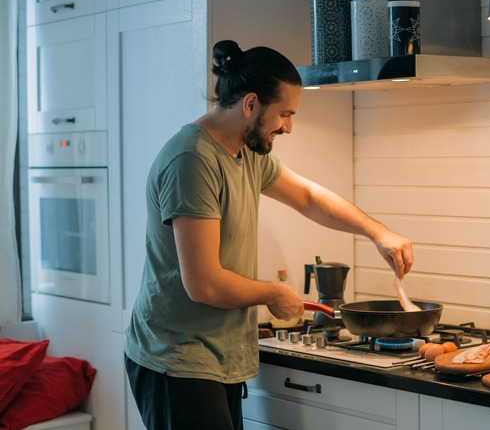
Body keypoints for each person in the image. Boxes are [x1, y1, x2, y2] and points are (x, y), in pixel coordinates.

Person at [124, 40, 413, 430]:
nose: (288, 127)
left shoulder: (247, 152)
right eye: (284, 114)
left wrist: (378, 233)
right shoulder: (192, 161)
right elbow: (204, 284)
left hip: (217, 356)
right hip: (176, 359)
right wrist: (273, 293)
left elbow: (309, 197)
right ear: (250, 104)